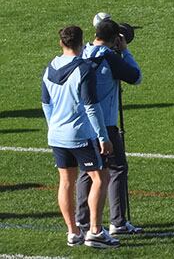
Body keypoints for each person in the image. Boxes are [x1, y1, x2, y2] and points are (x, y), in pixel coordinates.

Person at [40, 26, 118, 249]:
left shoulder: (50, 68)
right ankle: (95, 231)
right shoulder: (83, 69)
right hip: (81, 134)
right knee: (101, 179)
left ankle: (73, 232)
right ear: (82, 43)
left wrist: (54, 126)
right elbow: (91, 106)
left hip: (56, 134)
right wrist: (103, 137)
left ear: (61, 43)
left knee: (66, 182)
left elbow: (46, 104)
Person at [75, 16, 143, 238]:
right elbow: (135, 77)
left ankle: (82, 221)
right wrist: (125, 52)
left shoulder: (82, 53)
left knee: (87, 172)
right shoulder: (110, 58)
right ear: (115, 39)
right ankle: (118, 222)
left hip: (82, 124)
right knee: (117, 169)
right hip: (106, 125)